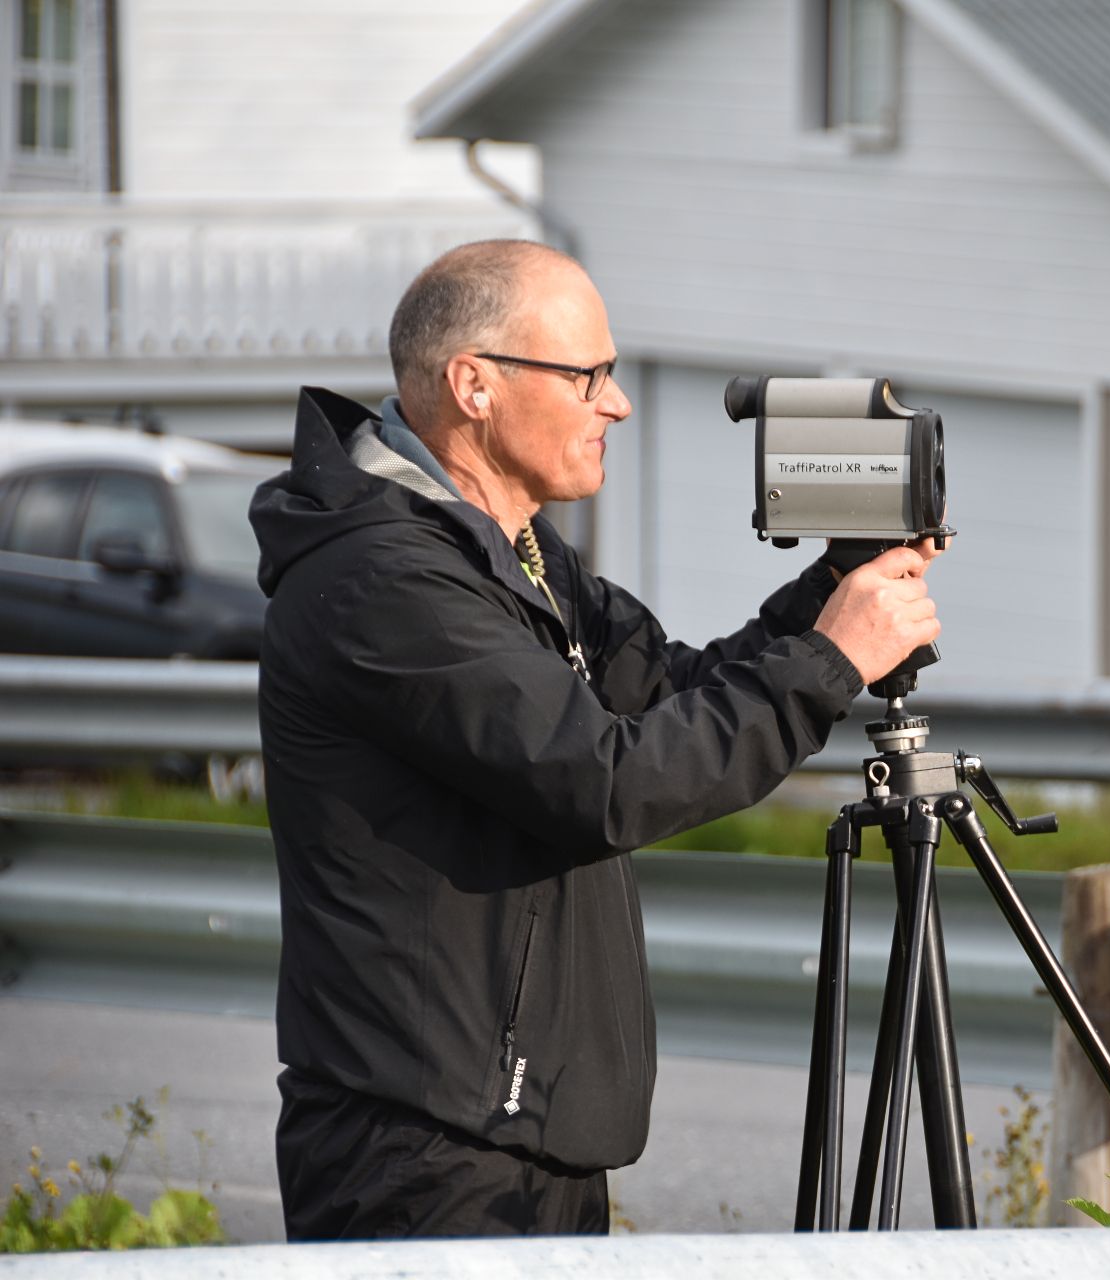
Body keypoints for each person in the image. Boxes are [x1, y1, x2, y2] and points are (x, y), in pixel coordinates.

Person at [250, 239, 941, 1238]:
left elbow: (671, 694)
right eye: (588, 376)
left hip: (516, 1125)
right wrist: (832, 660)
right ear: (474, 384)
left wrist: (834, 590)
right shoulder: (385, 583)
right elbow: (611, 780)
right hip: (426, 1147)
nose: (615, 403)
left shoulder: (508, 551)